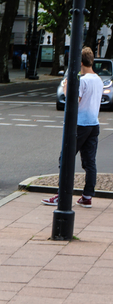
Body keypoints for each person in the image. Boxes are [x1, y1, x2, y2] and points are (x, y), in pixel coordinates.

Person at [42, 47, 104, 208]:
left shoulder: (82, 81)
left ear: (80, 62)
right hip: (93, 124)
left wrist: (66, 85)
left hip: (79, 124)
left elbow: (72, 101)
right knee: (90, 161)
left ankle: (61, 195)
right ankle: (87, 196)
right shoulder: (98, 79)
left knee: (65, 159)